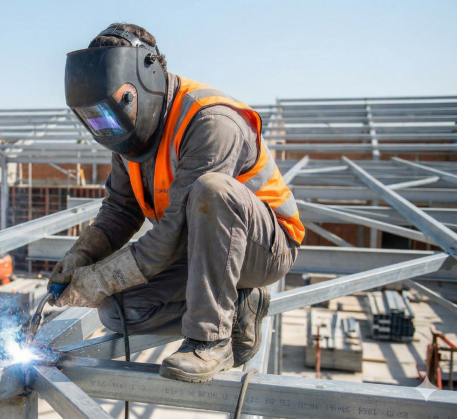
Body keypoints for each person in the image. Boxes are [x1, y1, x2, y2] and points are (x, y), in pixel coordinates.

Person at [50, 23, 303, 383]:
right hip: (205, 250)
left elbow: (175, 234)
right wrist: (82, 257)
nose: (106, 127)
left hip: (262, 247)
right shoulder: (130, 138)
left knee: (212, 189)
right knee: (118, 311)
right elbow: (121, 210)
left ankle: (210, 342)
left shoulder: (210, 121)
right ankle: (239, 306)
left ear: (144, 82)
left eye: (109, 112)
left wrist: (103, 276)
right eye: (94, 118)